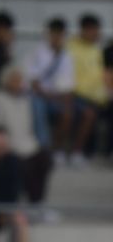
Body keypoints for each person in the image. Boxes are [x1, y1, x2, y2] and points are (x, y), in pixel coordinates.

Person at [0, 65, 53, 207]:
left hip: (29, 143)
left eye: (19, 80)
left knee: (44, 160)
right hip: (7, 144)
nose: (17, 83)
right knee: (21, 165)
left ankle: (37, 202)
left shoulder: (27, 100)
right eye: (14, 80)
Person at [24, 17, 75, 161]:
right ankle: (43, 148)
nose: (57, 37)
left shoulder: (67, 56)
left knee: (67, 113)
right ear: (48, 33)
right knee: (38, 108)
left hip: (56, 97)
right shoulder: (37, 52)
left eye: (60, 34)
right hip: (38, 95)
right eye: (54, 33)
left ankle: (57, 150)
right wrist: (48, 95)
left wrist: (65, 100)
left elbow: (69, 84)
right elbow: (32, 81)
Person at [67, 13, 106, 165]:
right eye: (93, 30)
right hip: (77, 95)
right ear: (84, 30)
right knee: (89, 113)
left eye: (97, 31)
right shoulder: (70, 48)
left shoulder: (96, 50)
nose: (96, 34)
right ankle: (77, 152)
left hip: (98, 97)